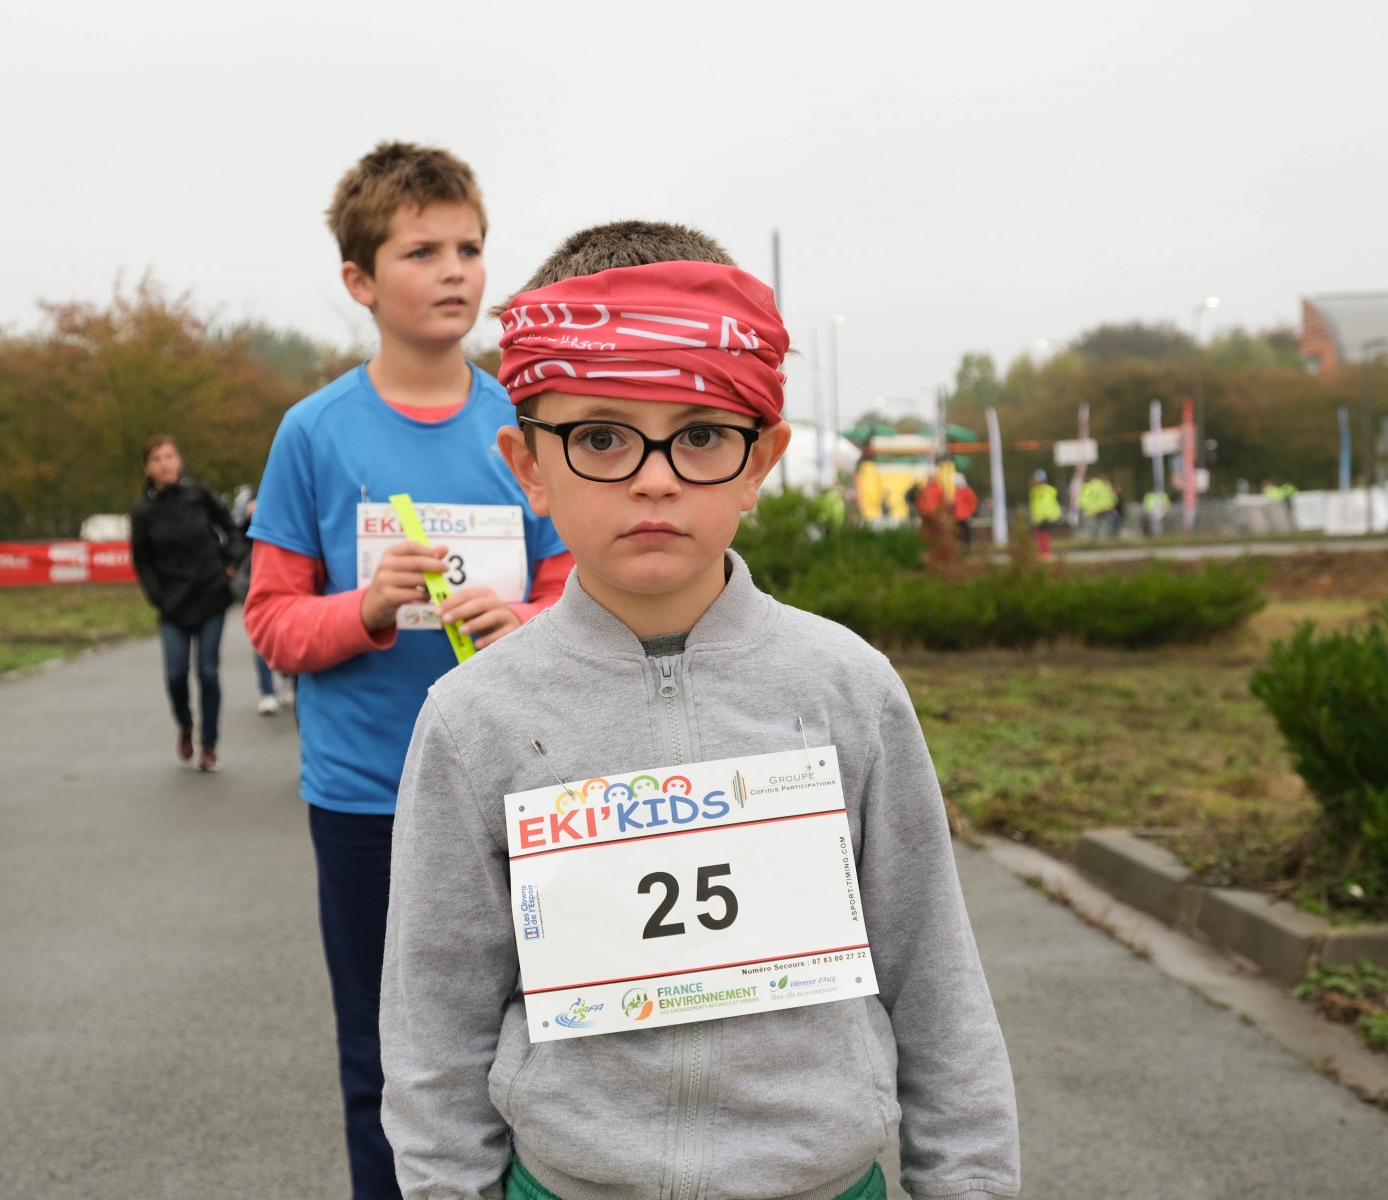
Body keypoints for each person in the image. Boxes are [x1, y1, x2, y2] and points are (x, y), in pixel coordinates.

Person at [381, 223, 1020, 1200]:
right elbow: (436, 1028)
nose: (655, 475)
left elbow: (934, 980)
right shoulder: (475, 720)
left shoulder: (849, 689)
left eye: (701, 436)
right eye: (600, 436)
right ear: (528, 465)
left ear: (761, 460)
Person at [242, 141, 572, 1200]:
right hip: (367, 799)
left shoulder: (526, 422)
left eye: (469, 248)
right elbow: (272, 621)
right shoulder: (313, 434)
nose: (455, 271)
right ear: (360, 280)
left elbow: (576, 585)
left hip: (524, 788)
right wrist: (367, 608)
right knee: (388, 1060)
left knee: (543, 1040)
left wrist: (526, 620)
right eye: (422, 251)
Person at [129, 434, 239, 772]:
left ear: (179, 460)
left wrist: (231, 563)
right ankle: (185, 724)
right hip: (172, 604)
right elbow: (141, 560)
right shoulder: (142, 510)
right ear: (147, 468)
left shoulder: (200, 495)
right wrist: (157, 596)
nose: (165, 464)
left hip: (210, 593)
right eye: (157, 459)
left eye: (170, 456)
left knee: (208, 671)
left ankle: (209, 745)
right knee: (176, 674)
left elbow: (231, 529)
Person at [233, 494, 282, 715]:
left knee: (284, 636)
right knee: (261, 638)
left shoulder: (289, 494)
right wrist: (248, 516)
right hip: (257, 584)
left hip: (285, 581)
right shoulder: (250, 497)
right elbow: (238, 538)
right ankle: (267, 692)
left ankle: (288, 678)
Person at [1029, 468, 1062, 560]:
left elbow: (1042, 506)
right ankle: (1044, 553)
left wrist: (1040, 517)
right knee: (1042, 534)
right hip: (1046, 516)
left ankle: (1044, 553)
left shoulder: (1039, 491)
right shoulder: (1047, 490)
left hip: (1043, 517)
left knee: (1041, 534)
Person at [1079, 472, 1118, 539]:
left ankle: (1104, 539)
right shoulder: (1095, 485)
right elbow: (1086, 499)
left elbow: (1111, 497)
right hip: (1097, 510)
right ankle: (1093, 540)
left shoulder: (1106, 485)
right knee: (1095, 527)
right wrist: (1092, 509)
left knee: (1103, 527)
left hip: (1105, 509)